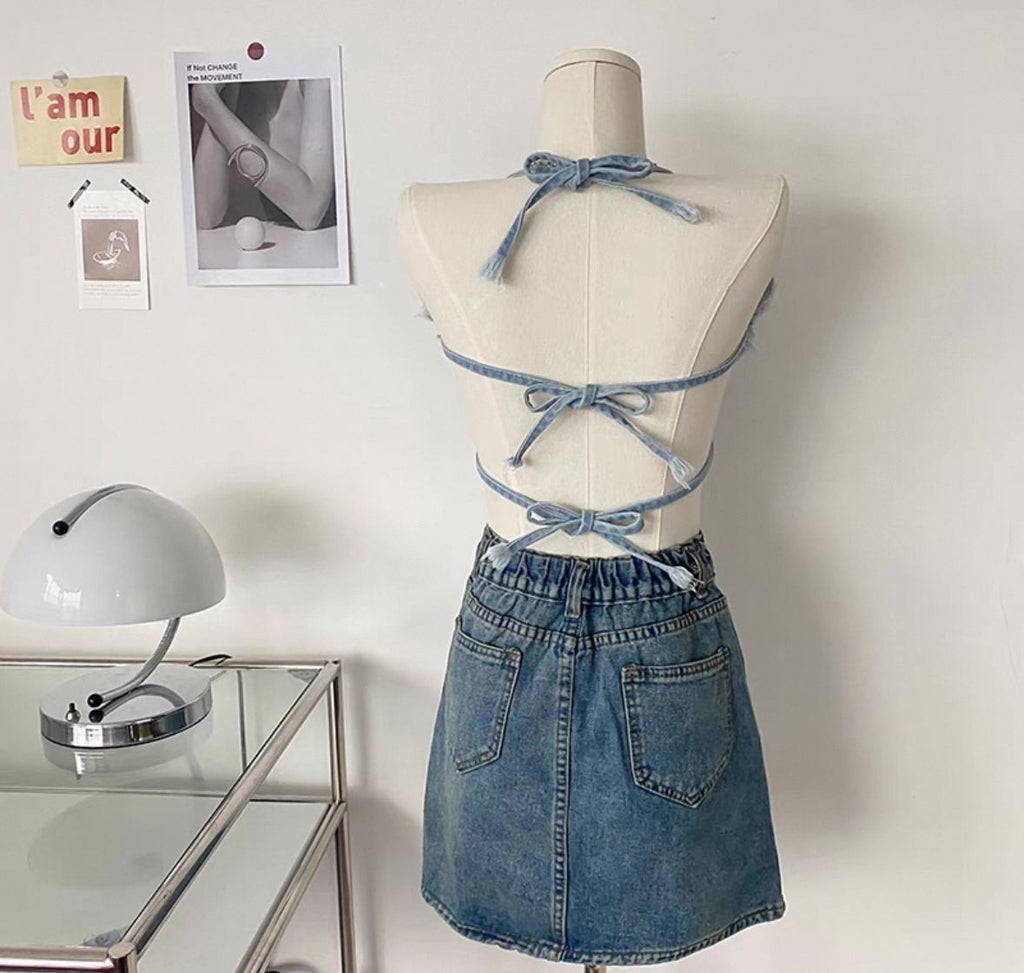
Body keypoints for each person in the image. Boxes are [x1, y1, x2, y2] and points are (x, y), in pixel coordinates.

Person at [190, 79, 336, 232]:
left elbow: (310, 211)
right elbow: (207, 215)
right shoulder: (236, 84)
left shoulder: (315, 78)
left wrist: (208, 104)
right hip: (270, 249)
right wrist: (217, 98)